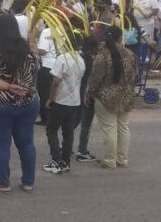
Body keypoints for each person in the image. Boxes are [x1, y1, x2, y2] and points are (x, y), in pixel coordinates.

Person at [0, 14, 39, 193]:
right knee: (27, 143)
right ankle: (28, 182)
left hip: (0, 104)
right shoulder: (28, 50)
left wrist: (8, 86)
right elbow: (36, 69)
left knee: (1, 144)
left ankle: (3, 183)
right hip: (28, 102)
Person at [84, 25, 137, 169]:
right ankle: (122, 159)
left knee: (109, 129)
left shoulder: (102, 56)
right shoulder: (130, 53)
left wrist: (88, 93)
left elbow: (95, 79)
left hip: (106, 98)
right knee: (123, 128)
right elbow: (134, 76)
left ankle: (109, 160)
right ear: (120, 38)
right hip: (126, 96)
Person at [42, 31, 85, 174]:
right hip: (74, 101)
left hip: (61, 100)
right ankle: (65, 161)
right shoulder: (80, 59)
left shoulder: (62, 58)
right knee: (68, 132)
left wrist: (50, 98)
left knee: (51, 130)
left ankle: (56, 160)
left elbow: (56, 81)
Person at [75, 36, 100, 162]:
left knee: (74, 121)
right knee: (86, 124)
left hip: (77, 93)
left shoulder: (80, 58)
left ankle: (65, 145)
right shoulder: (93, 62)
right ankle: (82, 150)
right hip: (87, 95)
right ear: (93, 48)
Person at [36, 24, 57, 126]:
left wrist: (34, 47)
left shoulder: (47, 31)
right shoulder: (64, 30)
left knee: (45, 93)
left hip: (47, 65)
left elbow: (42, 51)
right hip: (60, 64)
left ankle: (46, 118)